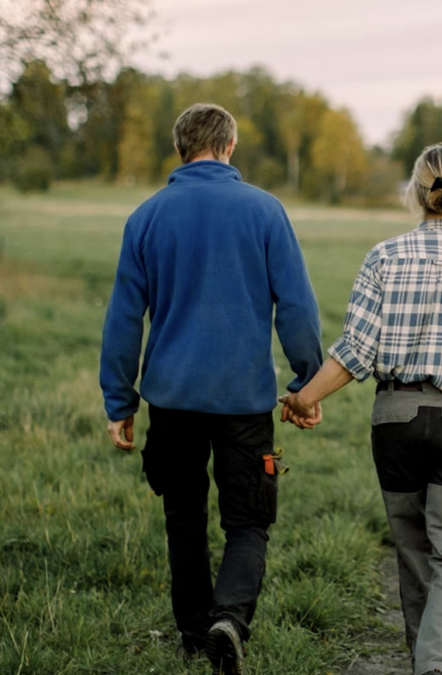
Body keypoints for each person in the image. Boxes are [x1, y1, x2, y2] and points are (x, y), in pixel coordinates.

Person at [280, 143, 442, 675]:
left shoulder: (384, 256)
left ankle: (427, 661)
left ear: (416, 191)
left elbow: (354, 353)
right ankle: (437, 666)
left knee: (414, 554)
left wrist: (304, 398)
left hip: (395, 419)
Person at [99, 102, 323, 674]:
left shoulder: (146, 217)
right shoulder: (266, 211)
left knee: (183, 515)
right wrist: (307, 382)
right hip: (244, 400)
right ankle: (230, 619)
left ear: (181, 148)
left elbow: (125, 319)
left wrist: (119, 402)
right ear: (230, 146)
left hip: (170, 398)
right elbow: (295, 306)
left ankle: (196, 633)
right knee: (248, 519)